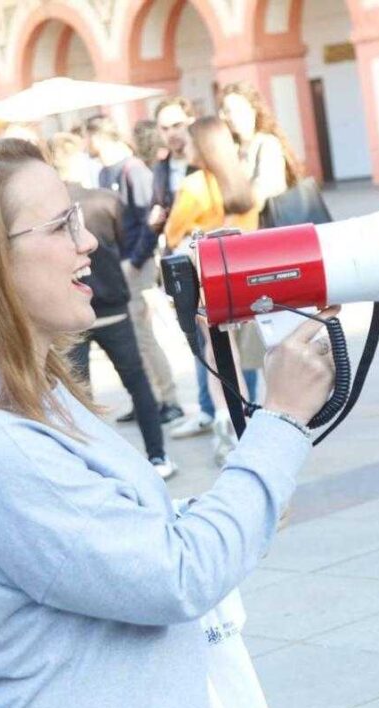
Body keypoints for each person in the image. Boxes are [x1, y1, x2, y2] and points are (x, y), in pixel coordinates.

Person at [0, 137, 337, 708]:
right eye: (60, 227)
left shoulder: (23, 395)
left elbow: (101, 541)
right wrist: (282, 416)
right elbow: (177, 576)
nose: (89, 241)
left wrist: (231, 509)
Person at [50, 131, 178, 480]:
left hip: (72, 308)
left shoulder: (48, 214)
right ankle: (158, 455)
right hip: (113, 303)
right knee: (137, 382)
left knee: (80, 396)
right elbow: (125, 242)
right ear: (79, 160)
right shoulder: (104, 200)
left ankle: (94, 469)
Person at [163, 117, 261, 465]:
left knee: (218, 352)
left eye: (189, 142)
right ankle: (249, 417)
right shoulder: (242, 182)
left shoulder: (194, 186)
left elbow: (173, 235)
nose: (183, 147)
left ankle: (227, 420)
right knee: (239, 354)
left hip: (206, 282)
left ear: (203, 147)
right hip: (243, 280)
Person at [84, 115, 185, 426]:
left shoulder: (133, 170)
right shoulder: (105, 173)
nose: (85, 144)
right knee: (134, 339)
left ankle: (169, 400)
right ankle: (148, 400)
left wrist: (135, 261)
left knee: (143, 336)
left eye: (87, 137)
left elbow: (148, 222)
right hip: (119, 266)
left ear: (99, 137)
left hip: (134, 266)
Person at [146, 97, 216, 439]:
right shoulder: (160, 168)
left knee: (216, 341)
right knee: (199, 340)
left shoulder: (204, 166)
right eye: (165, 127)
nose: (172, 133)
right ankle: (208, 409)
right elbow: (162, 216)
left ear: (190, 121)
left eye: (178, 125)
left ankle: (222, 410)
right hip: (178, 262)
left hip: (206, 260)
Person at [218, 81, 304, 214]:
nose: (230, 117)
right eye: (226, 111)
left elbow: (264, 191)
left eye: (237, 110)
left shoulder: (267, 144)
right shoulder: (231, 148)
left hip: (268, 225)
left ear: (253, 110)